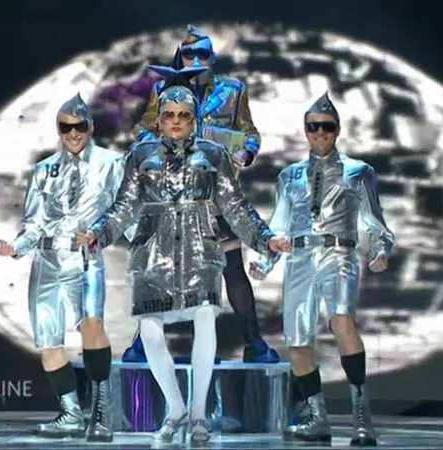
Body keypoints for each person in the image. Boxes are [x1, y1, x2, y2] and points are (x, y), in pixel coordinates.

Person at [75, 65, 290, 445]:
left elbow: (236, 207)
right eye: (169, 115)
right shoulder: (141, 155)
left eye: (184, 115)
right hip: (152, 252)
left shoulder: (214, 154)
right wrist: (98, 233)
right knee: (150, 331)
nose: (176, 121)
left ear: (194, 119)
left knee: (205, 318)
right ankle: (176, 409)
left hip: (200, 250)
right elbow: (123, 207)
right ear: (159, 119)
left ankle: (199, 414)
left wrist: (266, 239)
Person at [125, 23, 279, 364]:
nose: (195, 59)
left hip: (216, 192)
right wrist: (155, 143)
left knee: (232, 267)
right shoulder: (164, 89)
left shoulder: (232, 91)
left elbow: (249, 133)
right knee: (159, 268)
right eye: (189, 53)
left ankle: (254, 342)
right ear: (179, 56)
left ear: (212, 57)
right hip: (173, 192)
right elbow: (142, 129)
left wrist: (246, 153)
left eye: (202, 53)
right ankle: (142, 343)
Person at [249, 92, 394, 446]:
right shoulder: (290, 176)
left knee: (341, 319)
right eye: (313, 126)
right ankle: (318, 419)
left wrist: (380, 250)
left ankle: (362, 417)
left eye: (326, 126)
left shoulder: (359, 172)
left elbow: (376, 222)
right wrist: (266, 259)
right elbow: (278, 226)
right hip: (300, 258)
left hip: (338, 253)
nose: (320, 132)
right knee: (297, 340)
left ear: (337, 129)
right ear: (305, 130)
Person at [0, 93, 127, 442]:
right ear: (58, 129)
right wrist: (16, 247)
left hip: (84, 258)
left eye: (79, 126)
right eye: (66, 127)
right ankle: (70, 413)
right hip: (47, 261)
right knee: (48, 340)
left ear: (91, 127)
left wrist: (103, 234)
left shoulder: (111, 164)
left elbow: (123, 212)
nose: (73, 133)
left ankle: (101, 411)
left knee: (92, 325)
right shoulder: (45, 170)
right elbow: (32, 222)